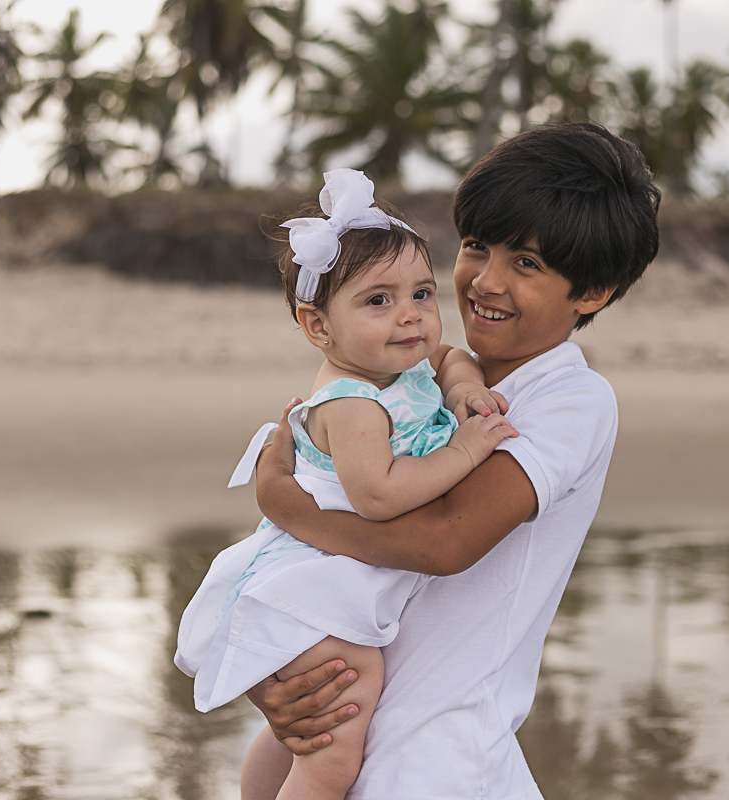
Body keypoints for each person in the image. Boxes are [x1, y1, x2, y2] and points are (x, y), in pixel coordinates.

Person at [246, 122, 662, 799]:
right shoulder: (407, 379)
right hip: (350, 745)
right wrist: (281, 680)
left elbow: (445, 541)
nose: (485, 282)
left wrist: (289, 510)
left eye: (526, 264)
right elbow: (325, 572)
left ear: (593, 292)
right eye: (476, 247)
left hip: (438, 760)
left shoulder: (569, 399)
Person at [174, 168, 517, 800]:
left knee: (293, 737)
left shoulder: (402, 364)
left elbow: (449, 357)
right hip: (317, 586)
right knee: (337, 738)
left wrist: (465, 385)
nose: (411, 317)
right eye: (378, 301)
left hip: (328, 572)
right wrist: (467, 450)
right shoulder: (353, 403)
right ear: (318, 327)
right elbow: (380, 494)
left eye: (421, 293)